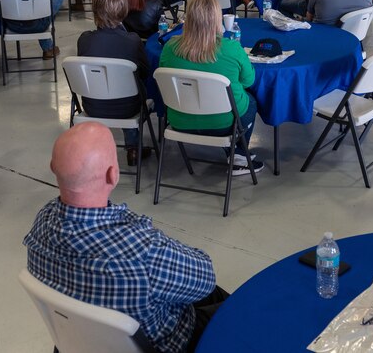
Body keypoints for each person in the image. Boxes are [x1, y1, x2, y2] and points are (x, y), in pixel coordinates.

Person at [24, 122, 226, 353]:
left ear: (53, 167)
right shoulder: (143, 251)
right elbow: (205, 278)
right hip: (170, 344)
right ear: (113, 174)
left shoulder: (41, 222)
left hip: (79, 341)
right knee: (235, 305)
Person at [159, 0, 263, 174]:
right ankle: (238, 154)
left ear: (188, 18)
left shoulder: (169, 47)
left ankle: (236, 153)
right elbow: (249, 81)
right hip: (223, 124)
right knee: (251, 102)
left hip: (179, 120)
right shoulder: (231, 48)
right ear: (217, 19)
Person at [76, 0, 151, 166]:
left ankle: (92, 149)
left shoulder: (84, 39)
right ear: (123, 10)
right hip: (128, 107)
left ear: (95, 11)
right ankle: (133, 148)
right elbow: (145, 73)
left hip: (93, 104)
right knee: (131, 89)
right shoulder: (132, 41)